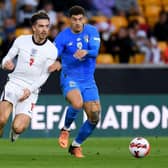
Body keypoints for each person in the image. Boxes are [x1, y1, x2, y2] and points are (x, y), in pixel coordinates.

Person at [49, 5, 101, 158]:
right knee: (77, 103)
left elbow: (95, 51)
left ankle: (76, 146)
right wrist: (55, 61)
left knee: (95, 117)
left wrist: (87, 52)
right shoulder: (63, 37)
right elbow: (53, 53)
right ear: (69, 20)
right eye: (74, 19)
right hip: (70, 77)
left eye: (80, 19)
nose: (78, 22)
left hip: (88, 81)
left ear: (83, 19)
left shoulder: (91, 31)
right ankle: (65, 129)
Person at [0, 10, 60, 142]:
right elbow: (6, 59)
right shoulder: (21, 40)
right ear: (34, 27)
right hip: (14, 83)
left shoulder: (52, 50)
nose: (44, 29)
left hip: (31, 90)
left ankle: (15, 132)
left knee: (18, 127)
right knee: (1, 120)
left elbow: (45, 75)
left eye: (46, 26)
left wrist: (30, 90)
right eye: (41, 26)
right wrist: (5, 64)